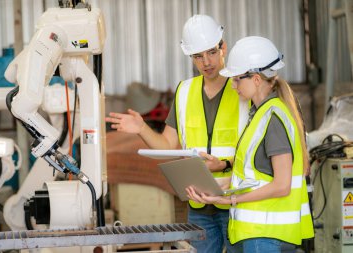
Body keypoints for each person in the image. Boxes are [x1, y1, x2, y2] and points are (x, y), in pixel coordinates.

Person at [105, 15, 249, 253]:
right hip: (199, 202)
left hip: (235, 199)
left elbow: (254, 148)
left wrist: (224, 164)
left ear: (223, 47)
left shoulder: (241, 88)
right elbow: (168, 145)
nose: (206, 62)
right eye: (198, 56)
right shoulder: (184, 92)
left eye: (211, 52)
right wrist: (142, 128)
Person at [186, 36, 315, 253]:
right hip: (260, 234)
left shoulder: (272, 118)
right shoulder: (261, 115)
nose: (233, 86)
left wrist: (230, 200)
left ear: (255, 79)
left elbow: (281, 185)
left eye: (237, 80)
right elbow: (255, 176)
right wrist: (215, 189)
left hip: (265, 235)